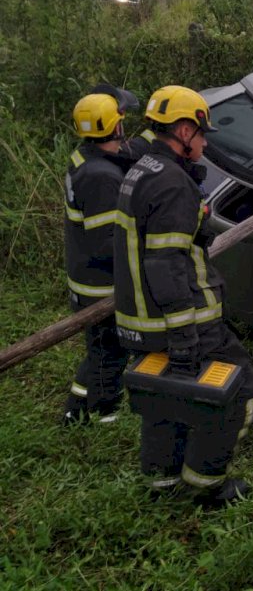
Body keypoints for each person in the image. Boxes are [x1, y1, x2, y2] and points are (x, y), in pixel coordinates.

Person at [113, 85, 253, 505]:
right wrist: (184, 337)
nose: (205, 141)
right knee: (237, 395)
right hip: (183, 320)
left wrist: (196, 217)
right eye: (201, 132)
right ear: (181, 129)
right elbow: (166, 264)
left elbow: (154, 243)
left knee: (163, 401)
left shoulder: (142, 170)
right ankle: (207, 487)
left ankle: (162, 486)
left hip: (140, 319)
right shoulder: (174, 184)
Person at [62, 90, 136, 424]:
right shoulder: (102, 177)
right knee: (109, 351)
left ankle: (76, 406)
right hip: (99, 283)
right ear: (114, 126)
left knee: (99, 349)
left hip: (83, 275)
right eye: (121, 120)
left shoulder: (85, 159)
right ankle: (103, 414)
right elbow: (108, 242)